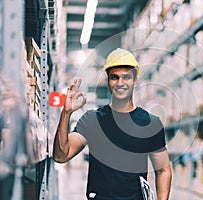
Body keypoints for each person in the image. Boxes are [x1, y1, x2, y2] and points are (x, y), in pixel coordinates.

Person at [53, 48, 172, 200]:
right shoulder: (92, 120)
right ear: (108, 81)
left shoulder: (150, 123)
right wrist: (66, 113)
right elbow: (61, 156)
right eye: (114, 77)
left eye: (126, 77)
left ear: (135, 81)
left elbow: (163, 171)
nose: (120, 83)